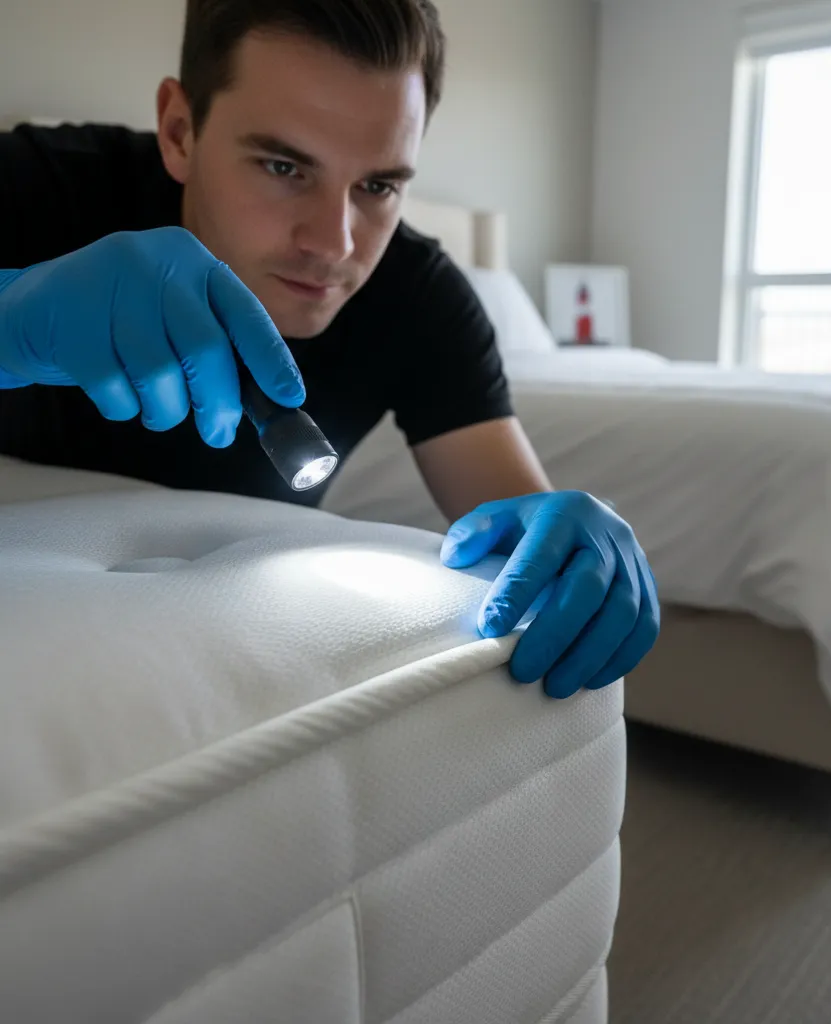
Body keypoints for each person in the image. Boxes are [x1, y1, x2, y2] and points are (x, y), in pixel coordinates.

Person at [0, 0, 659, 700]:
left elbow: (523, 521)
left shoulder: (419, 296)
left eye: (377, 186)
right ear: (180, 130)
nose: (335, 244)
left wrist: (581, 549)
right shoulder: (43, 183)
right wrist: (10, 325)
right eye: (284, 167)